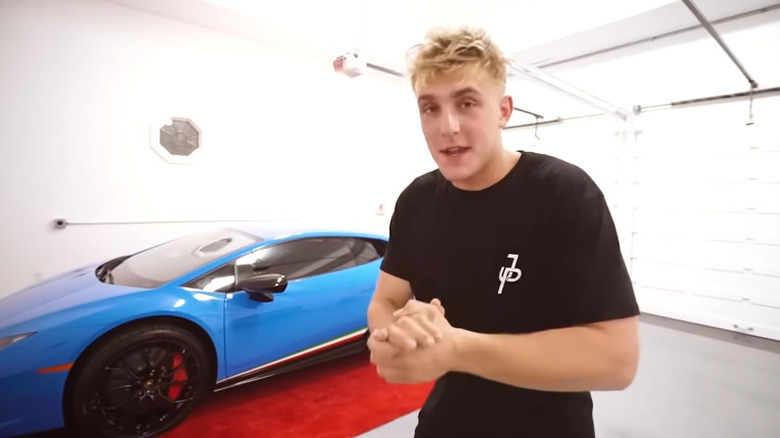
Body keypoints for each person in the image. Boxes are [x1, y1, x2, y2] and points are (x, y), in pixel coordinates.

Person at [366, 26, 640, 438]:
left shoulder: (562, 192)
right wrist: (395, 333)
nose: (448, 126)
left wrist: (456, 348)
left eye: (467, 103)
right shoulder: (416, 201)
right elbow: (385, 300)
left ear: (504, 110)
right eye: (430, 108)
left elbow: (617, 360)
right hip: (444, 424)